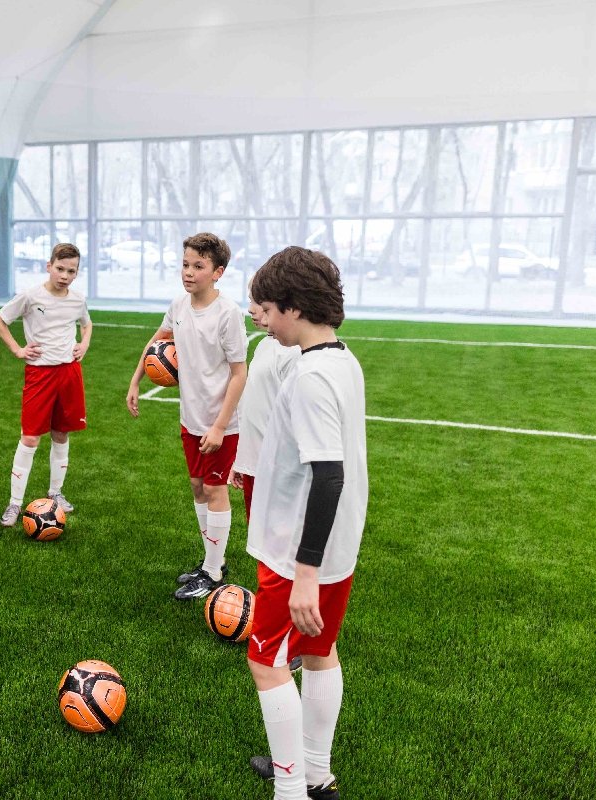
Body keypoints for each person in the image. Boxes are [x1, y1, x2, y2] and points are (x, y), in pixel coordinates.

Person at [243, 246, 367, 800]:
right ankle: (317, 773)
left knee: (266, 661)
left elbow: (329, 477)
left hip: (298, 552)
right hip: (337, 544)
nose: (263, 321)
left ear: (293, 308)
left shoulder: (313, 377)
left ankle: (290, 791)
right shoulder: (343, 358)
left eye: (267, 310)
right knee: (320, 651)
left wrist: (305, 573)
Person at [126, 232, 247, 601]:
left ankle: (212, 572)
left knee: (214, 489)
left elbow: (240, 373)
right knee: (197, 487)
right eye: (185, 264)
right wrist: (135, 382)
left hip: (221, 422)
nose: (189, 272)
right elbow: (157, 341)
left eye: (199, 266)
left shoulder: (228, 314)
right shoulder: (179, 305)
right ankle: (212, 560)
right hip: (190, 417)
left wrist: (220, 426)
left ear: (218, 272)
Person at [0, 242, 92, 527]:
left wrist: (84, 343)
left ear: (76, 273)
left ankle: (56, 493)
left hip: (69, 374)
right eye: (60, 268)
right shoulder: (30, 296)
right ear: (49, 266)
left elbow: (87, 324)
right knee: (31, 438)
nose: (64, 275)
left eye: (71, 271)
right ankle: (14, 504)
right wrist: (17, 350)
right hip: (40, 374)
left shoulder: (77, 299)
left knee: (61, 433)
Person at [230, 300, 301, 521]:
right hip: (254, 463)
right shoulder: (264, 345)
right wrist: (241, 460)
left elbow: (296, 419)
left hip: (276, 467)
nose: (251, 308)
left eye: (258, 302)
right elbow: (251, 408)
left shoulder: (293, 353)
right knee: (258, 534)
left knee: (276, 540)